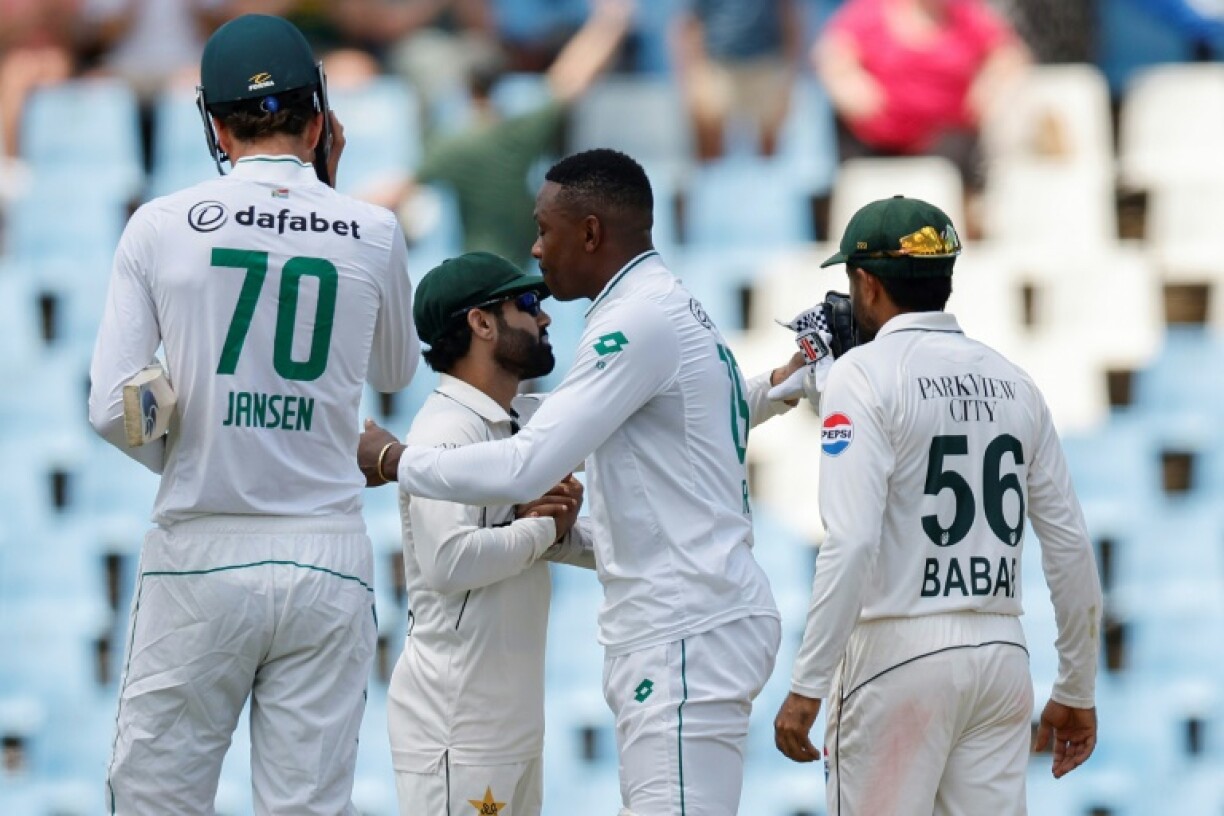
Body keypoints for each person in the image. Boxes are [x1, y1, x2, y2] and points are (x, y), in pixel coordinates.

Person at [358, 147, 806, 815]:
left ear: (590, 232)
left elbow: (528, 465)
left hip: (680, 631)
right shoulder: (665, 307)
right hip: (663, 634)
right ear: (478, 324)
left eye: (545, 229)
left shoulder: (635, 322)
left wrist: (393, 461)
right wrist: (784, 382)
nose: (538, 249)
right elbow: (703, 416)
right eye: (522, 302)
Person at [87, 14, 419, 814]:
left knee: (156, 801)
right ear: (320, 120)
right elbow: (394, 369)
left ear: (213, 123)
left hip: (203, 549)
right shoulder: (373, 230)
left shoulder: (161, 225)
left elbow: (110, 408)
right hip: (327, 557)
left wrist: (200, 437)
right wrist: (333, 205)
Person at [772, 195, 1102, 815]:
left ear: (866, 284)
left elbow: (851, 541)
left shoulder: (864, 373)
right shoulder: (1013, 380)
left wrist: (806, 685)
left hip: (897, 653)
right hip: (1002, 656)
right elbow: (1069, 543)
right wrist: (1076, 684)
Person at [386, 251, 596, 816]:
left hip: (511, 726)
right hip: (457, 728)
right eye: (527, 305)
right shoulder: (443, 429)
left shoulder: (514, 423)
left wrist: (562, 531)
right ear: (481, 323)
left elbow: (527, 537)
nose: (544, 318)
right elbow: (450, 562)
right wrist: (541, 526)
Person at [369, 0, 633, 269]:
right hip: (522, 266)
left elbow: (392, 194)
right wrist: (611, 22)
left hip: (479, 270)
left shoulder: (452, 145)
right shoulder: (519, 131)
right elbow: (571, 81)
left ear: (465, 86)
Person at [814, 0, 1029, 191]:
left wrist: (989, 84)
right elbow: (831, 53)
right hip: (876, 140)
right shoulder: (871, 10)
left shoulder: (968, 13)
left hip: (944, 140)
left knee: (963, 156)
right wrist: (849, 83)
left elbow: (1010, 55)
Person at [671, 0, 802, 161]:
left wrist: (790, 72)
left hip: (767, 66)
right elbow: (690, 23)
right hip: (717, 67)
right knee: (709, 150)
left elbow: (789, 14)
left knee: (769, 157)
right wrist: (692, 75)